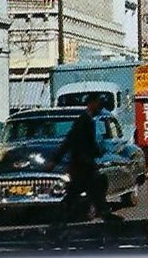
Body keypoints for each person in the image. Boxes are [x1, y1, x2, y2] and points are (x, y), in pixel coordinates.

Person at [46, 92, 120, 227]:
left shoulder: (88, 121)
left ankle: (104, 215)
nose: (99, 106)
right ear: (91, 103)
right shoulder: (83, 121)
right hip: (82, 165)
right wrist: (55, 160)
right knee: (82, 191)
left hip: (85, 164)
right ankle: (59, 220)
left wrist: (96, 151)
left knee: (90, 190)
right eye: (97, 102)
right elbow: (71, 141)